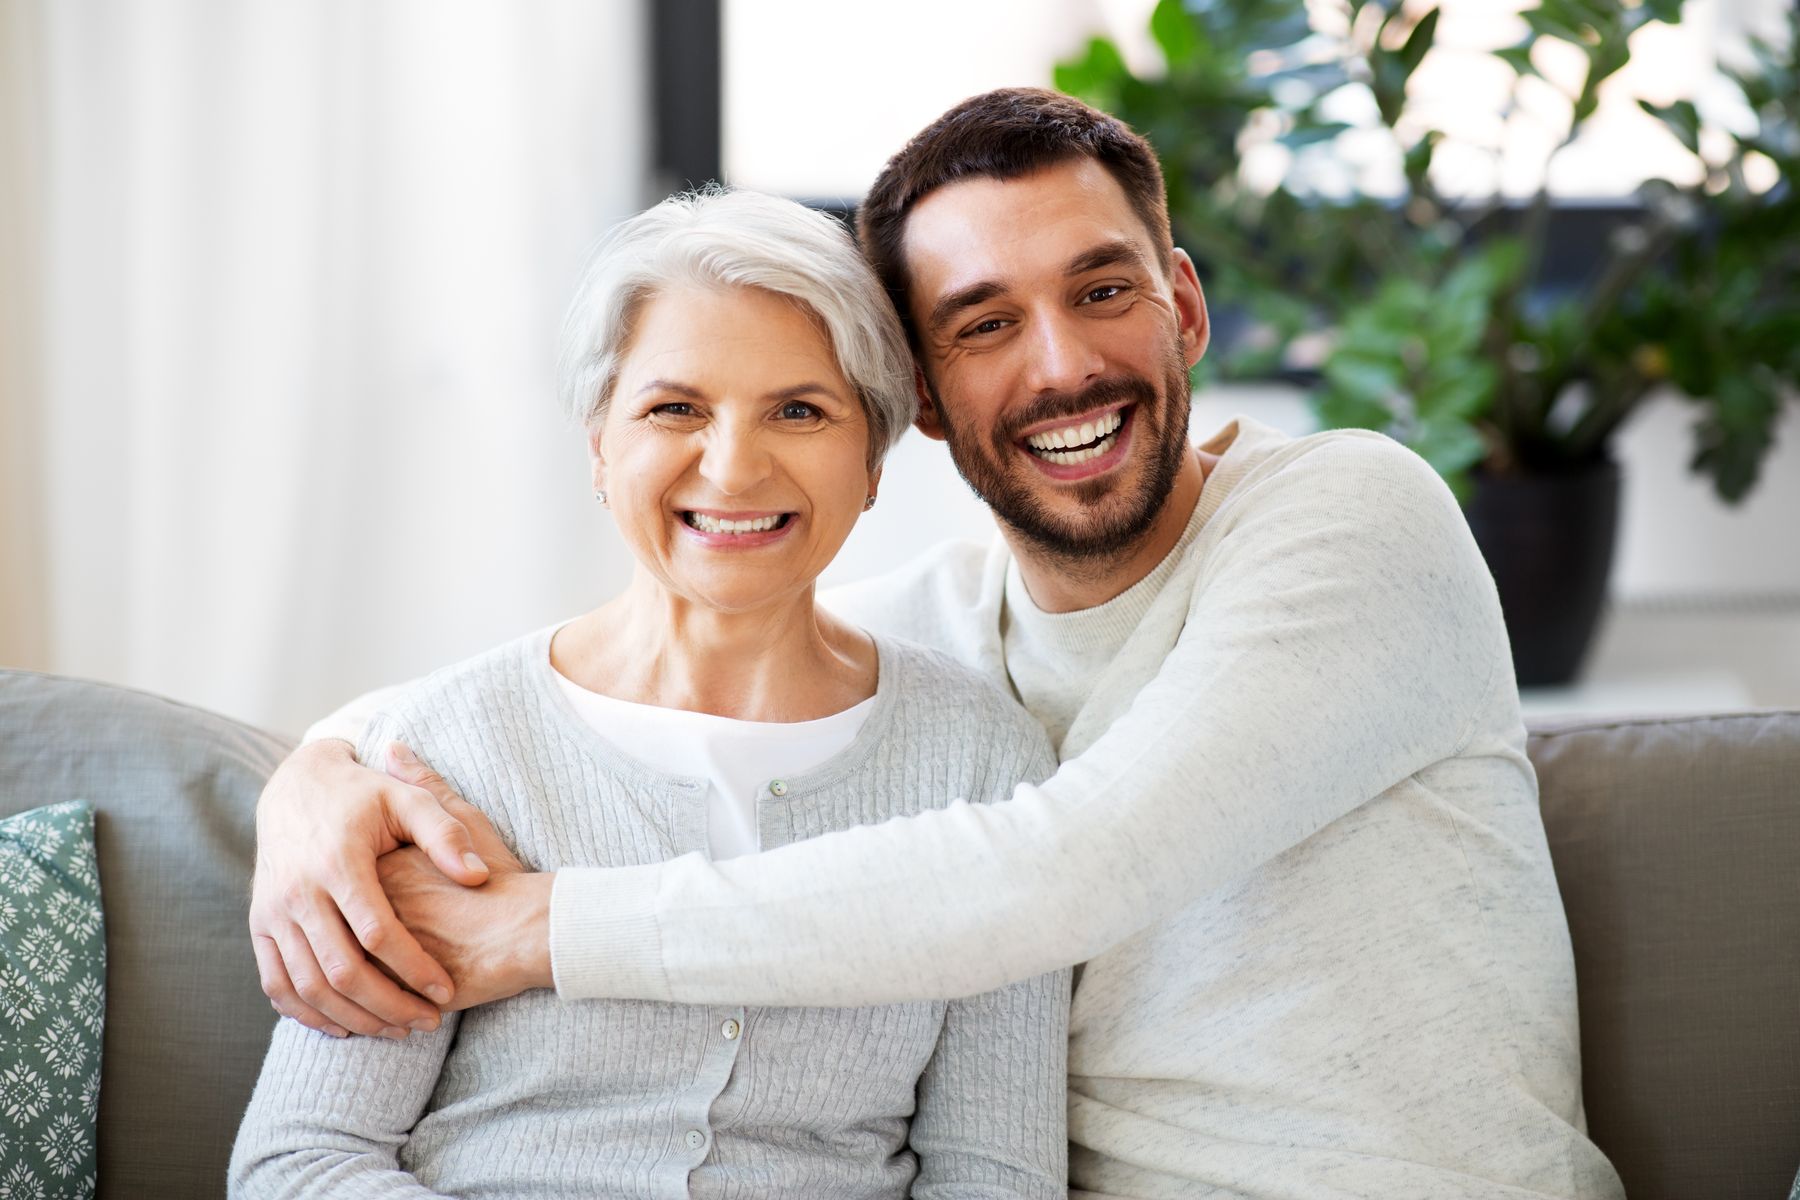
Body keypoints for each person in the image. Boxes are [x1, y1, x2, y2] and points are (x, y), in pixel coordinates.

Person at [251, 89, 1625, 1198]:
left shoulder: (1351, 514)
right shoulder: (941, 631)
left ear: (1185, 309)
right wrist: (313, 779)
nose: (1060, 365)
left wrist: (544, 928)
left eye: (1102, 291)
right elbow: (593, 680)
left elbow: (1072, 867)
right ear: (918, 399)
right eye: (984, 324)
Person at [229, 188, 1070, 1197]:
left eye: (798, 411)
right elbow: (303, 1162)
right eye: (676, 407)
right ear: (600, 445)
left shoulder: (986, 768)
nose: (734, 465)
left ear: (874, 458)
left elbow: (995, 1173)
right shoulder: (438, 758)